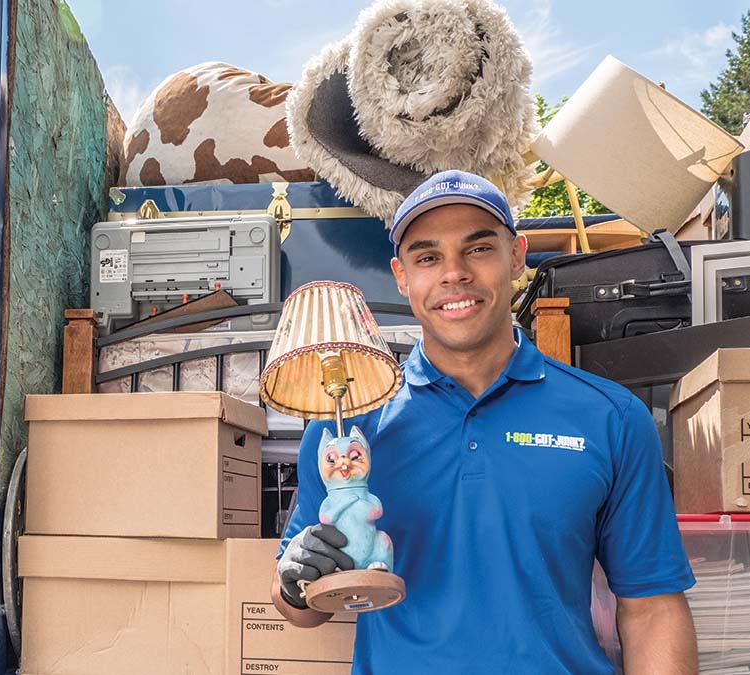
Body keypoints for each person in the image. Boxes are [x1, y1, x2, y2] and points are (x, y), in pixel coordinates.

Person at [271, 170, 697, 674]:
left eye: (477, 249)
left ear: (516, 256)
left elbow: (651, 608)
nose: (454, 274)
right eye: (428, 257)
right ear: (402, 275)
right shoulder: (346, 426)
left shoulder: (611, 418)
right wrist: (295, 582)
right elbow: (300, 611)